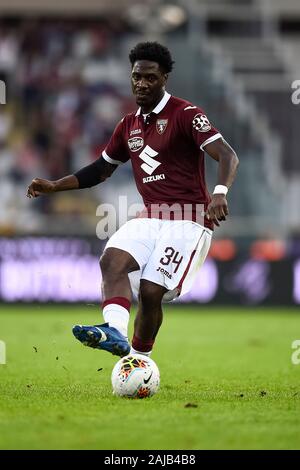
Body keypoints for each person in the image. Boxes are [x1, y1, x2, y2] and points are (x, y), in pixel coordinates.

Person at [27, 42, 239, 358]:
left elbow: (226, 154)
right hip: (151, 216)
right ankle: (114, 330)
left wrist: (219, 193)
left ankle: (139, 358)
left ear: (164, 78)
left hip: (190, 219)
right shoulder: (128, 125)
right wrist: (55, 186)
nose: (141, 83)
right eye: (137, 77)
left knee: (152, 292)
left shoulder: (186, 114)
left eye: (150, 78)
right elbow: (101, 170)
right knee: (111, 260)